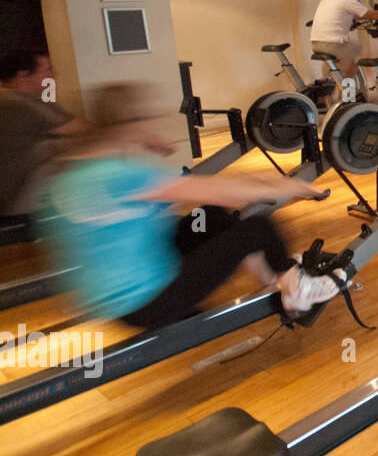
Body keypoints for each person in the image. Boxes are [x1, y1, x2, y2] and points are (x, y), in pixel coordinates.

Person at [41, 82, 341, 327]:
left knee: (209, 217)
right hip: (146, 302)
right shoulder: (121, 175)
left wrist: (144, 142)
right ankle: (299, 291)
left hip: (110, 296)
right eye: (143, 120)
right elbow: (224, 192)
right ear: (128, 126)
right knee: (258, 228)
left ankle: (276, 277)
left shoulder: (73, 170)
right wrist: (284, 184)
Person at [0, 49, 84, 221]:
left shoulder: (14, 101)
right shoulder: (21, 105)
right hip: (20, 208)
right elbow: (86, 131)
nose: (54, 76)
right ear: (23, 76)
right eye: (48, 70)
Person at [309, 0, 378, 90]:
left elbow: (348, 14)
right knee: (368, 52)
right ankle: (341, 95)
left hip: (316, 44)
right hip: (333, 45)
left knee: (348, 63)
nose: (360, 1)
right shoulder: (348, 0)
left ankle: (348, 93)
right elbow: (374, 15)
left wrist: (357, 21)